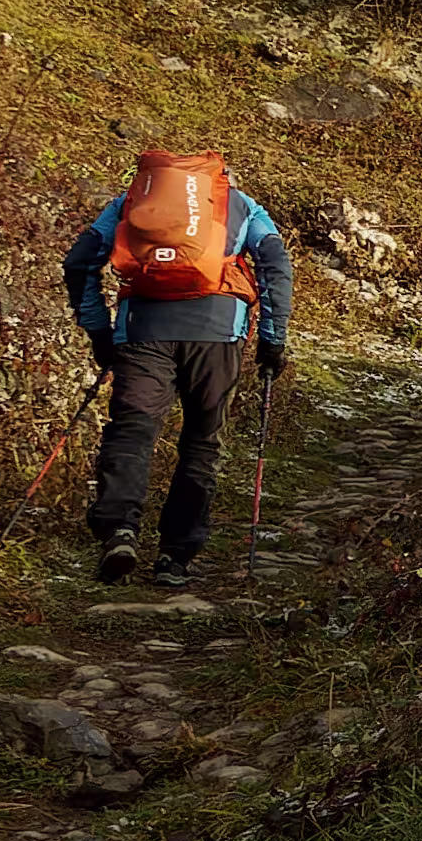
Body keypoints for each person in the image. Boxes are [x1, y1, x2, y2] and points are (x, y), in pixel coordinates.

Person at [62, 148, 296, 583]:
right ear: (217, 181)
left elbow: (79, 263)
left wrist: (100, 333)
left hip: (142, 330)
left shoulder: (128, 202)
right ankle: (175, 556)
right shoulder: (241, 205)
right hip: (217, 333)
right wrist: (272, 343)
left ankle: (120, 531)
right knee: (202, 442)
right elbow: (275, 267)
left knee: (132, 430)